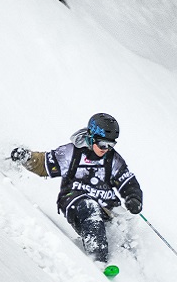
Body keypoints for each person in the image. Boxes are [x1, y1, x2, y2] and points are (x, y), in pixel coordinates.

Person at [11, 113, 143, 263]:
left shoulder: (113, 159)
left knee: (124, 226)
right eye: (102, 144)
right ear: (91, 137)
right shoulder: (71, 152)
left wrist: (134, 197)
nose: (106, 149)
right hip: (75, 200)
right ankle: (98, 260)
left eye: (111, 145)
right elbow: (44, 164)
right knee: (89, 208)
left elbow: (127, 181)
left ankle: (131, 267)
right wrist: (27, 157)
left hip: (106, 207)